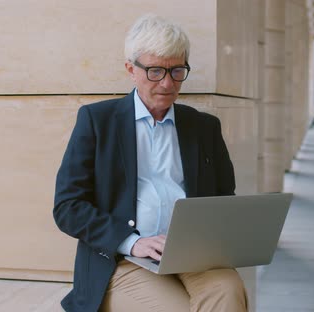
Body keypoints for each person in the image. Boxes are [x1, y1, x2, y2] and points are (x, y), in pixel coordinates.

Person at [54, 14, 249, 312]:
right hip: (123, 259)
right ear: (131, 69)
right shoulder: (97, 122)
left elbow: (224, 199)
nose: (168, 83)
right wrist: (131, 242)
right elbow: (68, 207)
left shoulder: (204, 127)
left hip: (194, 254)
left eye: (177, 71)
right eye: (156, 71)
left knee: (229, 291)